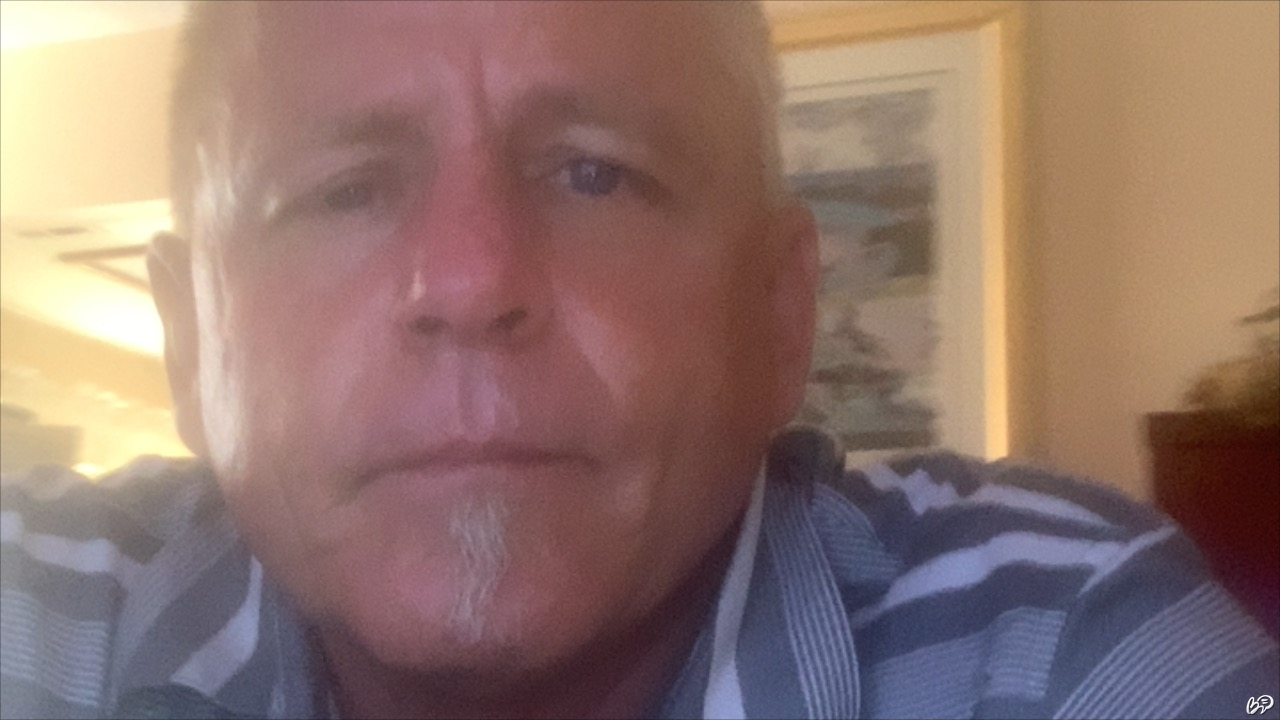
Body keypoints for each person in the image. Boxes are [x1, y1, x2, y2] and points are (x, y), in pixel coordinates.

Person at [1, 2, 1276, 718]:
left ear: (779, 316)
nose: (470, 282)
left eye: (592, 175)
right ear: (189, 338)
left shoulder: (1059, 643)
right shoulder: (36, 615)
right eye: (344, 191)